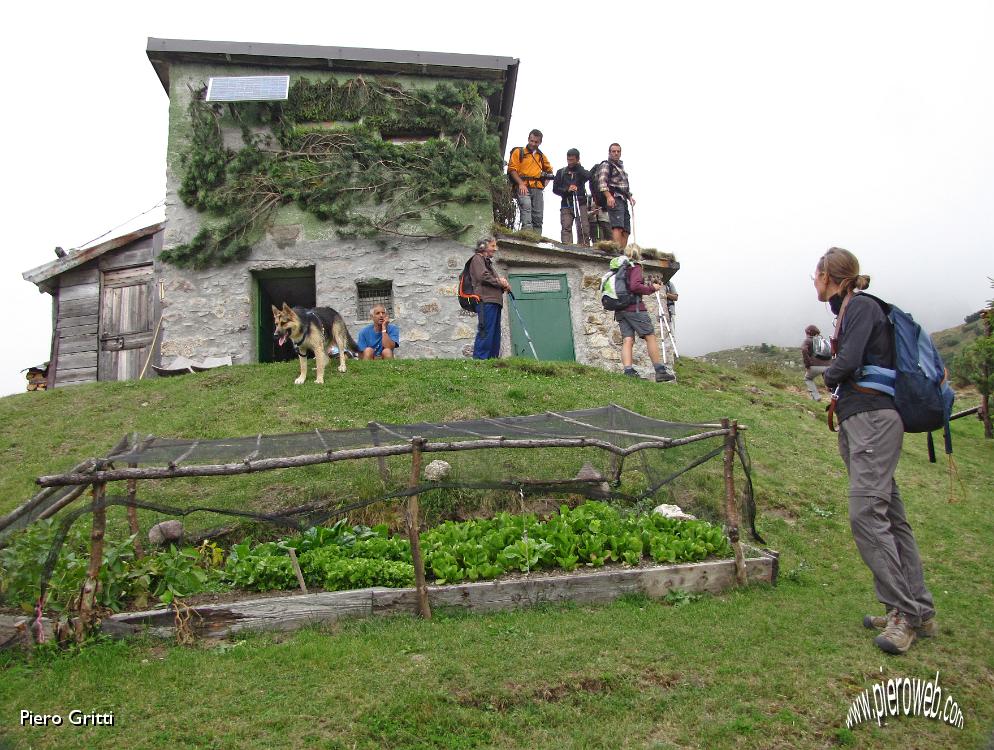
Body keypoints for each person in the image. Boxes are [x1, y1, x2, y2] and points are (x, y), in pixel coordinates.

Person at [813, 246, 936, 655]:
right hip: (864, 420)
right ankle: (917, 606)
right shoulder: (850, 309)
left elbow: (847, 361)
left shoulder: (861, 307)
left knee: (866, 513)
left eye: (816, 274)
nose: (813, 282)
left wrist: (826, 376)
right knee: (890, 515)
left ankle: (904, 613)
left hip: (871, 421)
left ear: (830, 276)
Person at [615, 246, 674, 382]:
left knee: (628, 339)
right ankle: (660, 371)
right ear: (637, 254)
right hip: (634, 308)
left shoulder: (618, 269)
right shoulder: (635, 266)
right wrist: (652, 288)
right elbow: (635, 286)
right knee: (650, 336)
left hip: (620, 309)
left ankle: (628, 371)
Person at [469, 236, 511, 359]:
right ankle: (481, 360)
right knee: (486, 331)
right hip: (485, 301)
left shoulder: (487, 263)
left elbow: (491, 280)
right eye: (492, 246)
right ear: (483, 247)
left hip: (493, 302)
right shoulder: (477, 259)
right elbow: (483, 276)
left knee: (494, 333)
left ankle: (492, 361)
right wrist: (500, 282)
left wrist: (504, 286)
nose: (495, 249)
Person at [507, 129, 552, 234]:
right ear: (528, 139)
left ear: (540, 142)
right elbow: (512, 169)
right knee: (526, 208)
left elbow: (549, 172)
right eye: (531, 141)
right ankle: (527, 235)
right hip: (523, 185)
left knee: (538, 215)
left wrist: (544, 184)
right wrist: (521, 184)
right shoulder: (519, 152)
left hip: (537, 188)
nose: (533, 143)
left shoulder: (541, 156)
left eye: (536, 142)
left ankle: (536, 239)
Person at [594, 143, 635, 248]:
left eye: (618, 151)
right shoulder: (606, 164)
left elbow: (624, 186)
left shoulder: (620, 167)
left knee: (626, 230)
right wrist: (608, 196)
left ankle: (622, 252)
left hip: (623, 198)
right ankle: (617, 253)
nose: (616, 153)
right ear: (609, 152)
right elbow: (602, 182)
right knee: (617, 226)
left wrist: (630, 196)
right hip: (614, 197)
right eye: (613, 151)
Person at [552, 149, 590, 245]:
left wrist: (579, 167)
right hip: (566, 204)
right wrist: (567, 189)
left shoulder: (581, 172)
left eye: (572, 160)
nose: (570, 162)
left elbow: (589, 176)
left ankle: (584, 249)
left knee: (583, 228)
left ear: (577, 159)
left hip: (581, 203)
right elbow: (555, 189)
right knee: (566, 227)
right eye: (568, 159)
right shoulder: (561, 172)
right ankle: (567, 248)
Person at [801, 324, 828, 401]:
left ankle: (816, 397)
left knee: (808, 378)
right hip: (828, 366)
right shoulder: (823, 341)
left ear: (808, 333)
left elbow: (804, 350)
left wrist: (808, 364)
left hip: (815, 366)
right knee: (829, 381)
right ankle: (834, 395)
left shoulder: (808, 340)